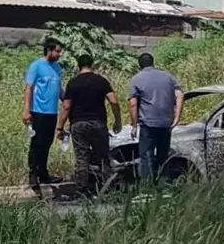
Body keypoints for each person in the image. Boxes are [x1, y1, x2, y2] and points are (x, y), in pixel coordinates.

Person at [55, 54, 122, 197]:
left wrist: (59, 127)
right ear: (93, 65)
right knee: (103, 157)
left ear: (78, 67)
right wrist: (118, 120)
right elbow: (114, 101)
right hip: (98, 123)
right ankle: (108, 188)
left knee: (82, 157)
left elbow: (66, 106)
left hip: (78, 124)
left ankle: (82, 189)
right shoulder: (101, 81)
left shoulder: (73, 83)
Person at [127, 53, 184, 181]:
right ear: (153, 62)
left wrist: (134, 125)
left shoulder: (136, 79)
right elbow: (180, 95)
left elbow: (133, 103)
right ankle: (165, 185)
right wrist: (177, 117)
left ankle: (148, 187)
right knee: (163, 154)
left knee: (146, 155)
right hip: (166, 123)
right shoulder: (168, 77)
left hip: (148, 124)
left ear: (139, 65)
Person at [23, 37, 64, 190]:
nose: (59, 54)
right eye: (57, 51)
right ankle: (33, 174)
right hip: (38, 111)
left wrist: (67, 101)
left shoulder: (58, 67)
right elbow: (29, 88)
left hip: (52, 112)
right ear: (49, 50)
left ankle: (43, 173)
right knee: (37, 144)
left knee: (47, 143)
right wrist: (26, 110)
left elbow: (59, 89)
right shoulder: (36, 66)